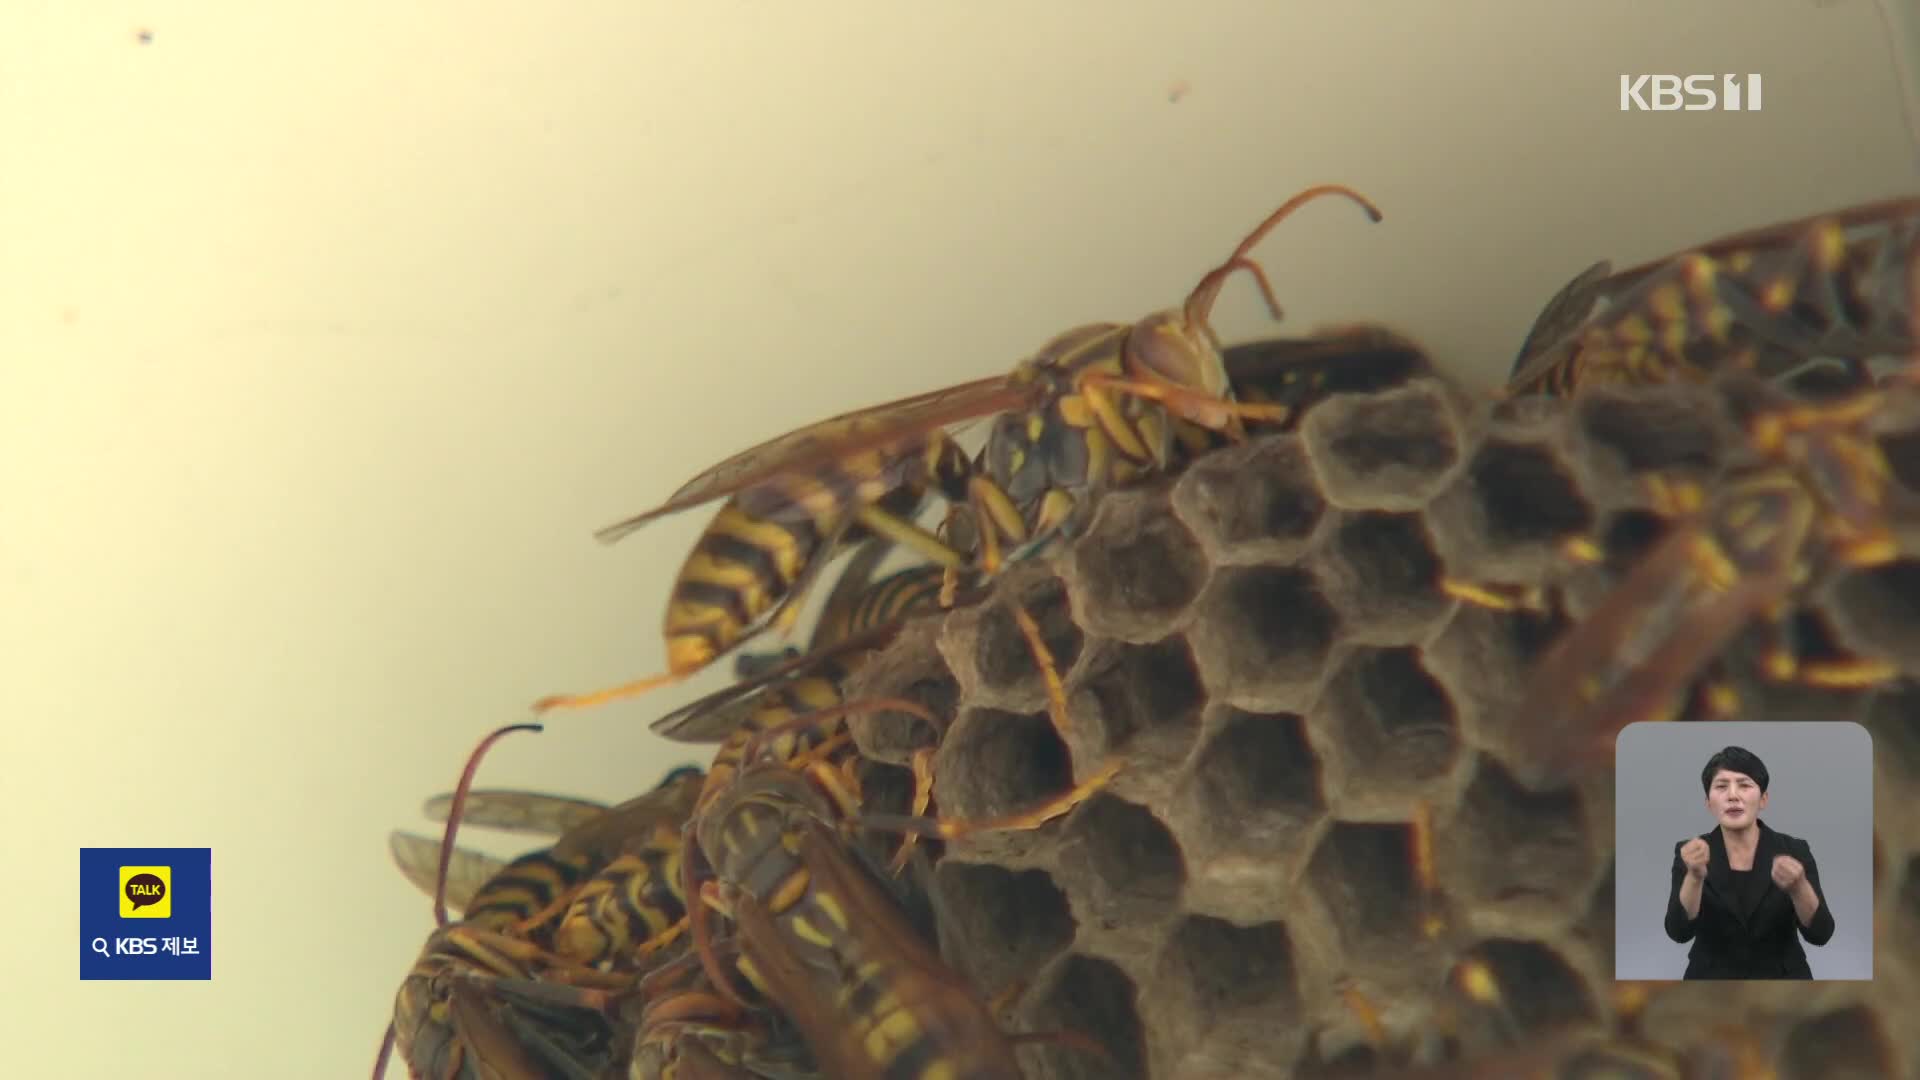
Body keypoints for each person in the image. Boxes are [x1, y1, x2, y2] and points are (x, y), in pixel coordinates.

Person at [1663, 745, 1835, 979]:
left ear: (1763, 799)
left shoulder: (1794, 850)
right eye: (1721, 786)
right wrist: (1694, 876)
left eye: (1744, 785)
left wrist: (1799, 887)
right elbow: (1678, 932)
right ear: (1708, 802)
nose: (1733, 796)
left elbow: (1821, 934)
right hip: (1710, 984)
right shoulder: (1690, 852)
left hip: (1783, 984)